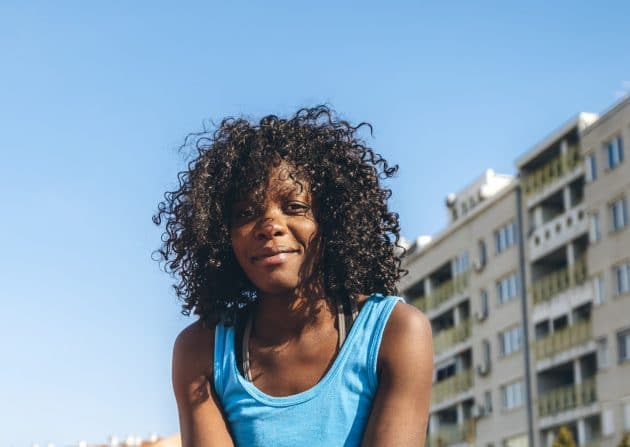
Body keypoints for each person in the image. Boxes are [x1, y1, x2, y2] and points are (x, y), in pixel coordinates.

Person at [154, 106, 433, 446]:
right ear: (221, 236)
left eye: (295, 208)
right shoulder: (201, 349)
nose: (270, 226)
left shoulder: (395, 331)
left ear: (331, 220)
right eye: (246, 213)